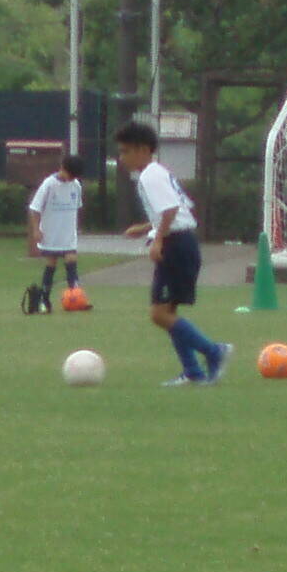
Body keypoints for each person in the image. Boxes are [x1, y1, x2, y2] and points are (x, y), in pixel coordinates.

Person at [117, 121, 229, 385]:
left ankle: (214, 352)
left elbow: (170, 211)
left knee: (160, 314)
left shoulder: (149, 175)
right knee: (167, 312)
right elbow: (179, 207)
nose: (122, 158)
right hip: (181, 241)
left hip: (176, 244)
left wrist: (157, 241)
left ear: (143, 149)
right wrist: (146, 227)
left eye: (125, 152)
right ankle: (193, 372)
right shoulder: (158, 172)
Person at [26, 154, 87, 313]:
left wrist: (76, 227)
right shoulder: (49, 184)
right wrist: (36, 229)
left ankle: (76, 298)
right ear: (62, 168)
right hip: (51, 234)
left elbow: (77, 207)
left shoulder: (76, 185)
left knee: (71, 260)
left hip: (68, 234)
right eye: (70, 174)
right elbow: (35, 209)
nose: (71, 179)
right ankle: (44, 299)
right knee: (51, 264)